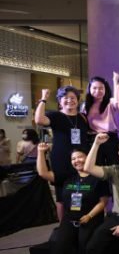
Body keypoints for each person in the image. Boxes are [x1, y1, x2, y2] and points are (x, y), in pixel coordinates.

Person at [36, 143, 108, 254]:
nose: (77, 161)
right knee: (59, 244)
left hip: (90, 218)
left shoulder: (98, 177)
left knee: (85, 245)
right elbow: (43, 173)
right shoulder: (68, 176)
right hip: (69, 219)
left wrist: (89, 216)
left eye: (80, 157)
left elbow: (103, 202)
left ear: (88, 157)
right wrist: (40, 152)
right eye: (73, 159)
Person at [35, 86, 92, 221]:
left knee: (81, 190)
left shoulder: (82, 117)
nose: (69, 100)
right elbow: (39, 120)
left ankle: (81, 220)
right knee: (62, 195)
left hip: (81, 159)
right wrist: (43, 99)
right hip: (61, 158)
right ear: (60, 101)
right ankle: (64, 225)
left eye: (73, 98)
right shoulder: (56, 115)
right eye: (65, 98)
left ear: (77, 100)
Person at [83, 74, 119, 166]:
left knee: (114, 166)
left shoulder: (110, 102)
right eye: (94, 88)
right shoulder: (85, 106)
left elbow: (117, 101)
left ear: (105, 89)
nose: (98, 91)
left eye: (101, 88)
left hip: (110, 138)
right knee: (96, 166)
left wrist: (115, 81)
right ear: (89, 89)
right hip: (94, 139)